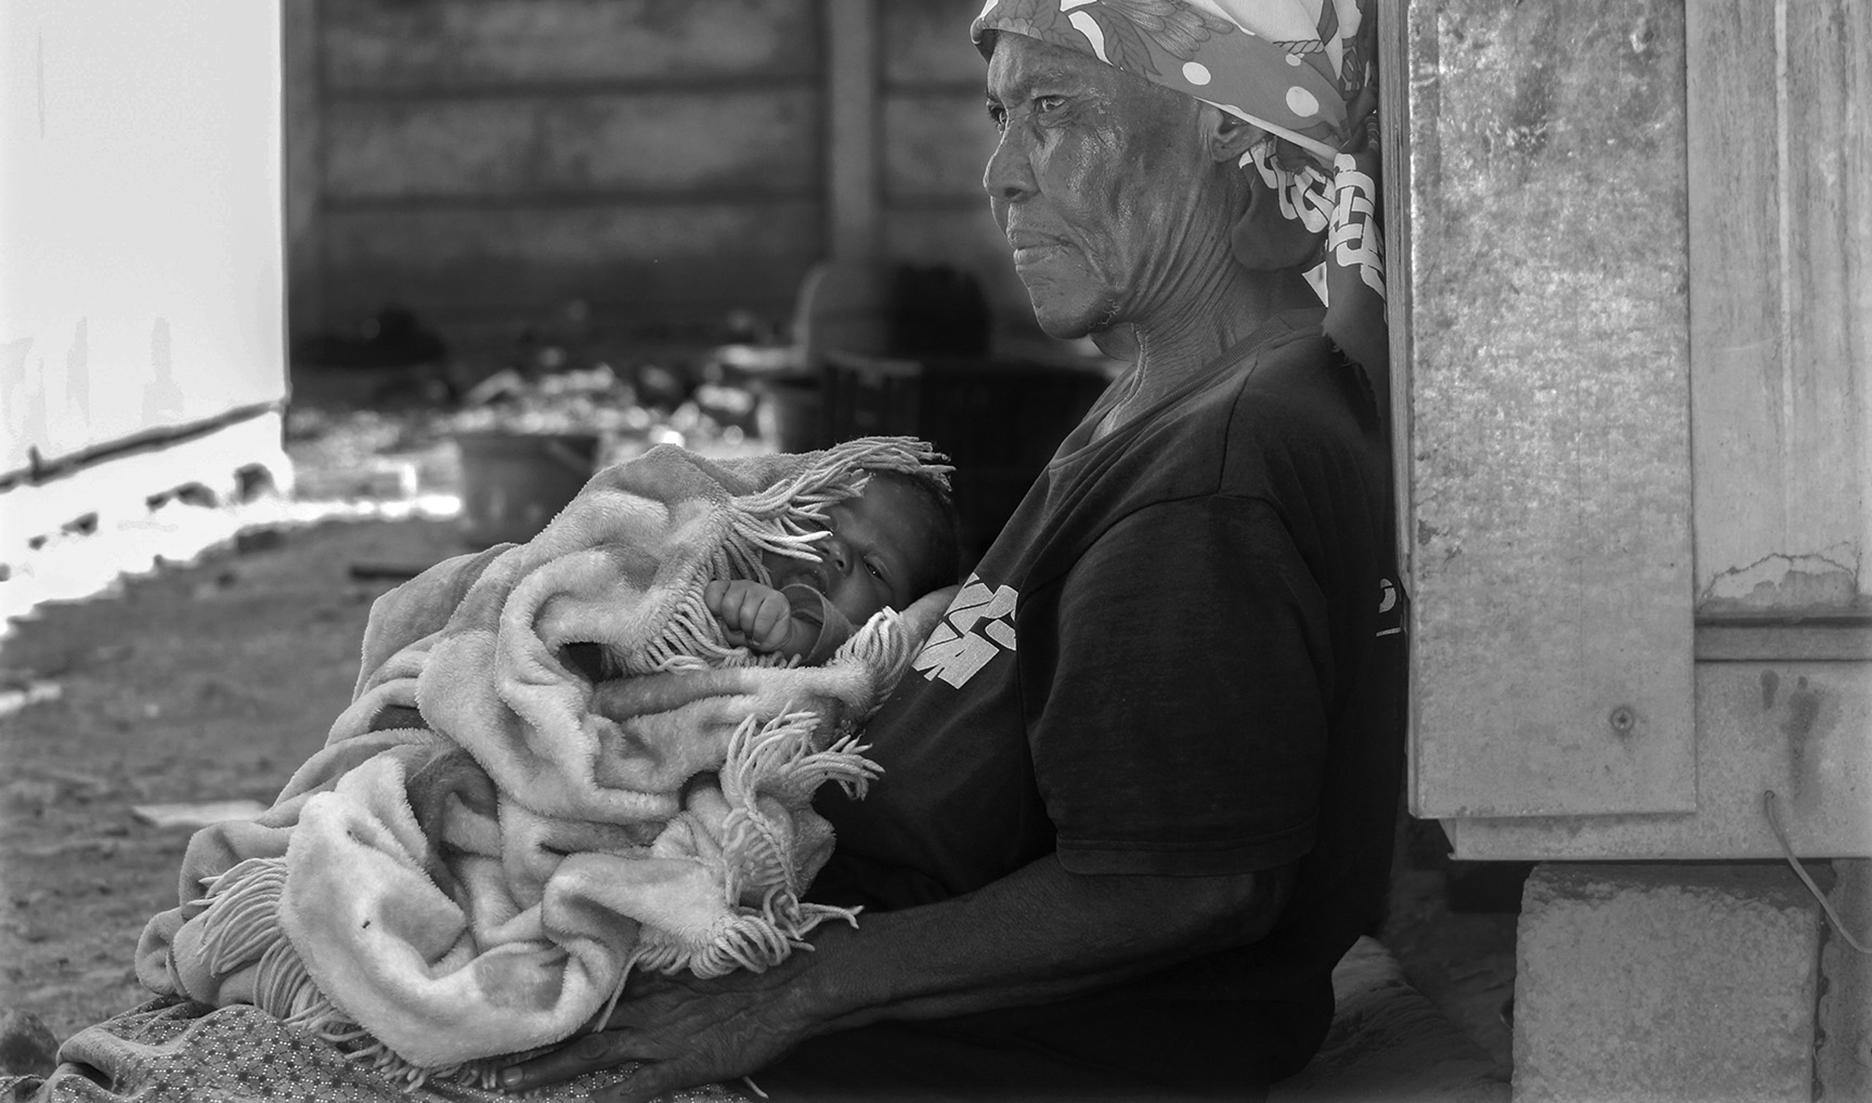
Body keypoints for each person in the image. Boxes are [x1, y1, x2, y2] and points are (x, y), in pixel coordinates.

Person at [500, 1, 1405, 1100]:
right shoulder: (1175, 393)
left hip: (1019, 1049)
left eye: (1056, 111)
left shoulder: (1223, 463)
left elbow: (1184, 885)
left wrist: (786, 993)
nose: (1001, 173)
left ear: (1224, 130)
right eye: (1001, 114)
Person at [706, 469, 962, 665]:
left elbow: (842, 644)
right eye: (820, 524)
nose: (837, 550)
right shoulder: (721, 552)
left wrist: (795, 637)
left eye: (874, 568)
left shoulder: (870, 654)